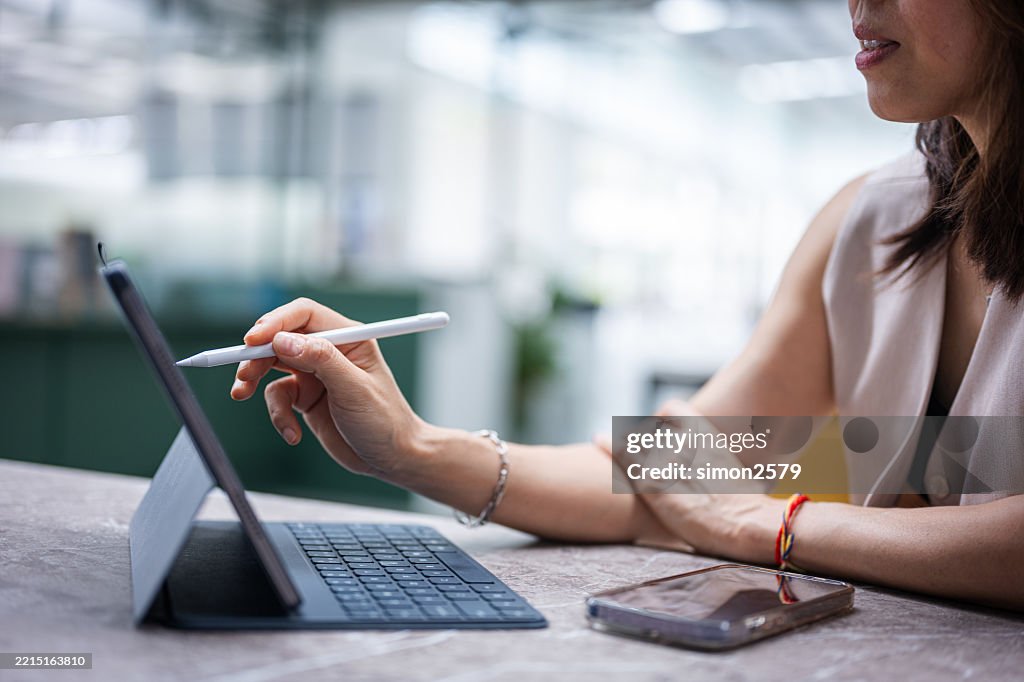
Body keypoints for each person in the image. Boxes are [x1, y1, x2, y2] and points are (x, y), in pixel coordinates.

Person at [230, 0, 1024, 611]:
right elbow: (682, 469)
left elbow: (722, 501)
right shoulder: (873, 219)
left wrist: (772, 525)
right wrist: (412, 446)